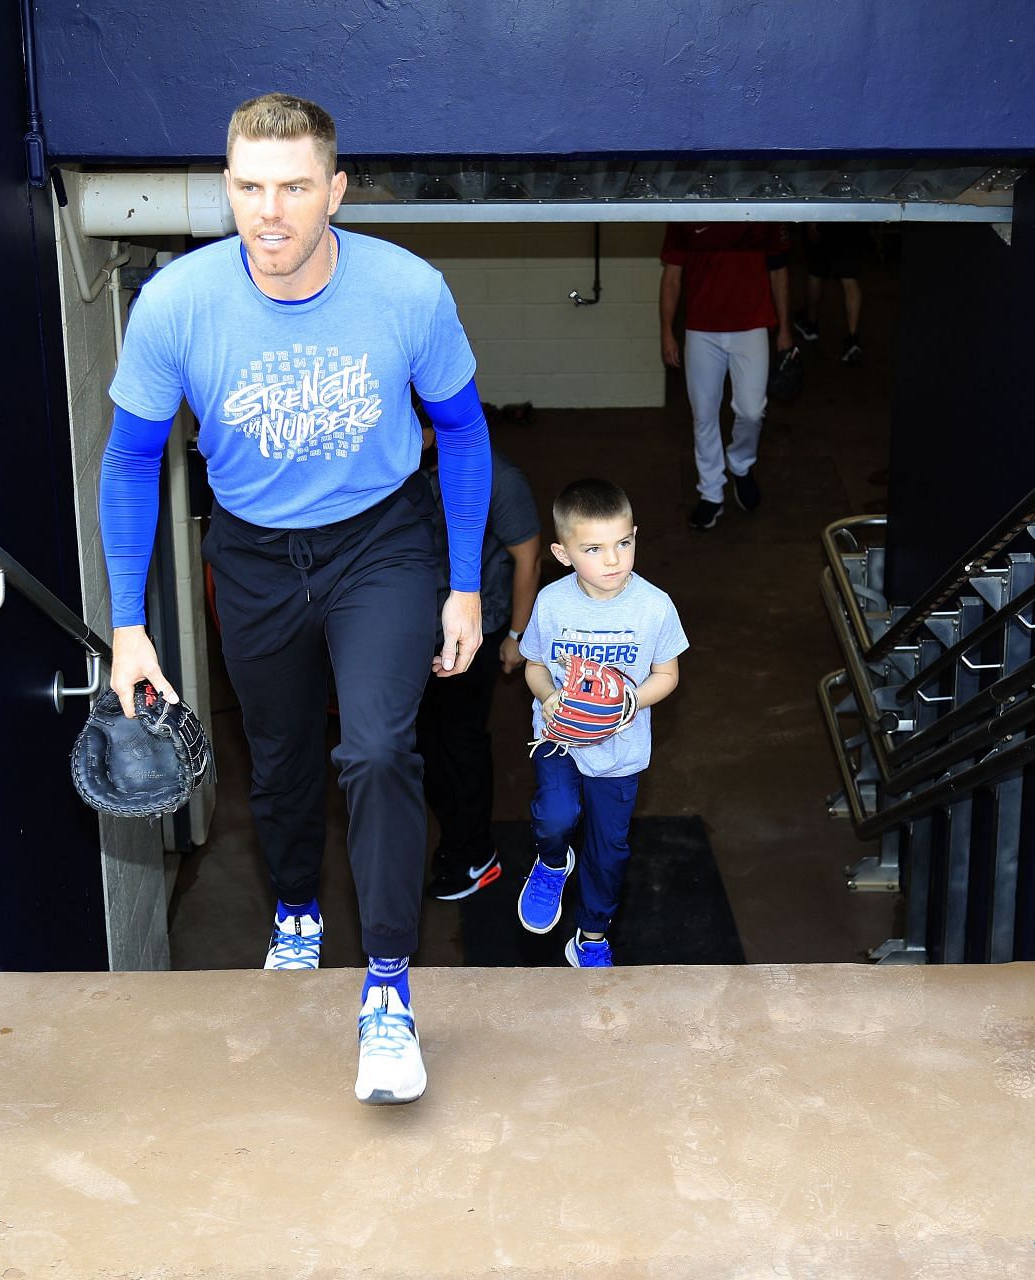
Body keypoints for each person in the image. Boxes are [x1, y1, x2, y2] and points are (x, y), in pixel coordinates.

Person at [99, 93, 492, 1106]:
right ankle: (297, 911)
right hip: (256, 555)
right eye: (248, 187)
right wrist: (129, 622)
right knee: (274, 763)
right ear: (228, 186)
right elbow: (133, 460)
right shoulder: (175, 304)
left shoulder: (408, 291)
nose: (268, 212)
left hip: (381, 544)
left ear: (336, 191)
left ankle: (391, 989)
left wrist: (461, 583)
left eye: (293, 187)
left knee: (374, 747)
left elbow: (463, 430)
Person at [515, 479, 687, 966]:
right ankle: (551, 863)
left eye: (623, 543)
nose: (613, 560)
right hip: (559, 739)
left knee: (609, 853)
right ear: (563, 552)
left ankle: (591, 936)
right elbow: (534, 665)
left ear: (635, 536)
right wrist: (548, 697)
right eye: (594, 548)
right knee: (555, 816)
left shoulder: (655, 606)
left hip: (620, 750)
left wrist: (632, 700)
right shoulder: (551, 602)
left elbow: (667, 674)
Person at [415, 421, 541, 902]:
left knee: (461, 740)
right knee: (423, 741)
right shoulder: (409, 468)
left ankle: (476, 854)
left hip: (476, 630)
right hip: (422, 626)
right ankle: (457, 832)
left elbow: (528, 557)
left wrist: (515, 635)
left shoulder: (496, 474)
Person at [659, 223, 792, 531]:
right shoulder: (686, 215)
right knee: (703, 415)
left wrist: (785, 327)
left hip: (752, 324)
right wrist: (667, 331)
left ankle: (741, 465)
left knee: (751, 410)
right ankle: (711, 493)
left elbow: (779, 269)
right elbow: (672, 276)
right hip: (702, 329)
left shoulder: (762, 211)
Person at [796, 222, 867, 366]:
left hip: (825, 215)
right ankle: (852, 337)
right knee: (849, 277)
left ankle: (811, 323)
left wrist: (812, 221)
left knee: (816, 271)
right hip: (852, 217)